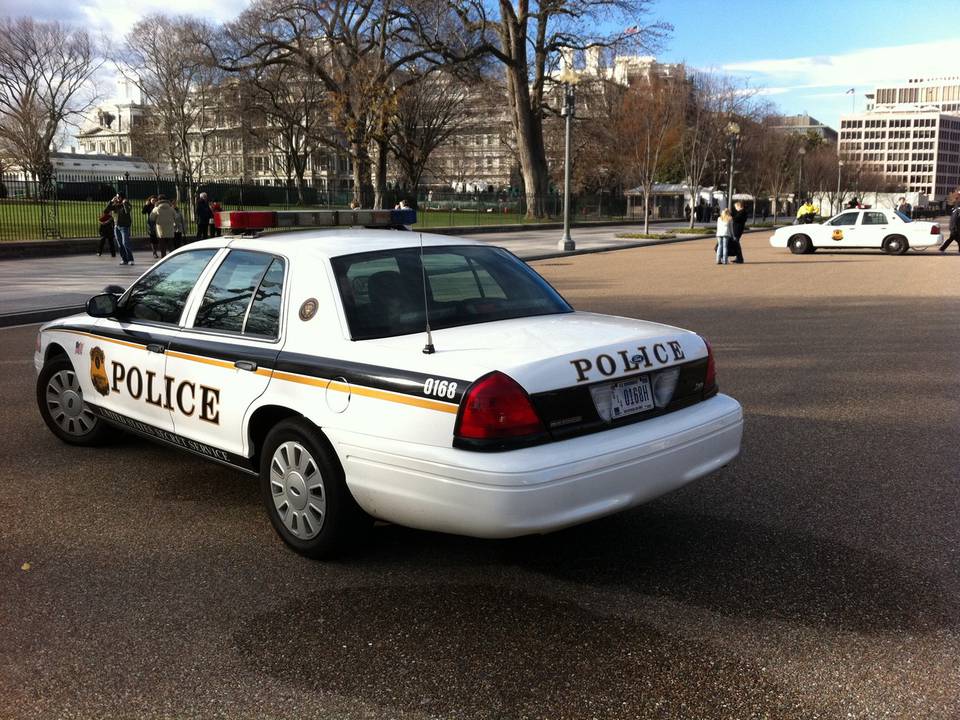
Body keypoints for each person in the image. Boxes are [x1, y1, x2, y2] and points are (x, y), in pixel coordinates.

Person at [105, 192, 134, 266]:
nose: (117, 198)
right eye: (116, 197)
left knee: (125, 243)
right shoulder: (115, 205)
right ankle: (124, 259)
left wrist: (124, 203)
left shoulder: (127, 203)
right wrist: (111, 201)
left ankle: (130, 259)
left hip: (124, 226)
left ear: (122, 197)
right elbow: (106, 211)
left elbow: (127, 211)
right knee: (120, 244)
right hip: (116, 226)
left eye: (119, 197)